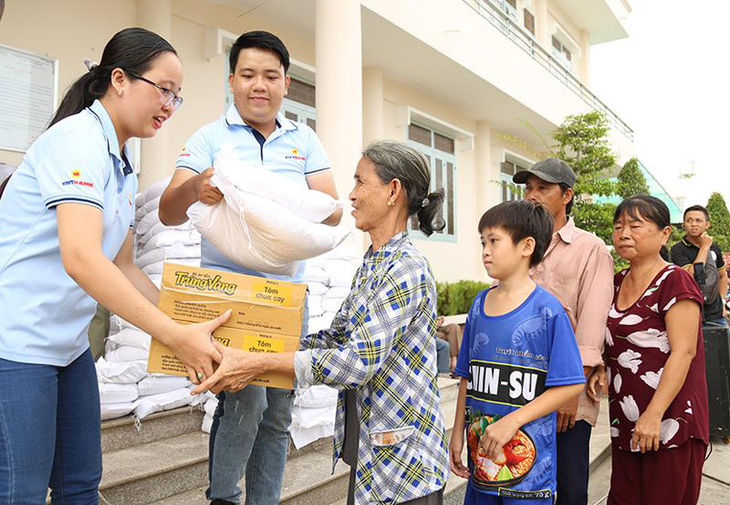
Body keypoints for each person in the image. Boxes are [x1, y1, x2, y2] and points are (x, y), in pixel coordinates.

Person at [0, 28, 228, 504]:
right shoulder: (77, 141)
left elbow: (122, 265)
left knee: (80, 484)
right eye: (163, 89)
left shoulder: (120, 161)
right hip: (16, 346)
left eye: (177, 96)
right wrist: (171, 334)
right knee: (19, 491)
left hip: (67, 348)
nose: (169, 104)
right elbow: (81, 259)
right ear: (119, 79)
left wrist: (190, 324)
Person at [192, 140, 450, 505]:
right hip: (376, 463)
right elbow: (336, 338)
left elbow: (356, 361)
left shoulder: (406, 267)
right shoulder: (374, 263)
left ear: (393, 191)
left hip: (405, 470)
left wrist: (260, 362)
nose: (351, 195)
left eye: (361, 182)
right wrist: (252, 347)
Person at [158, 31, 342, 505]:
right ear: (231, 81)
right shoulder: (209, 138)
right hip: (229, 297)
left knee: (279, 412)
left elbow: (332, 210)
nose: (258, 85)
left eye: (270, 76)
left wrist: (269, 199)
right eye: (248, 75)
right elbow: (168, 211)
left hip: (287, 298)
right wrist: (198, 187)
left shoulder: (304, 141)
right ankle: (222, 497)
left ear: (285, 84)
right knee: (244, 400)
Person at [449, 200, 585, 505]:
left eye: (494, 241)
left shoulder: (547, 311)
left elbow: (572, 383)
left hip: (529, 477)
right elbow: (466, 378)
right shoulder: (478, 306)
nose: (485, 250)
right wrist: (457, 433)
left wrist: (513, 421)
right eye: (482, 241)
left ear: (526, 246)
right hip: (482, 465)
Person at [587, 195, 709, 505]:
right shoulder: (616, 282)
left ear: (665, 233)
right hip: (625, 419)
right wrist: (600, 365)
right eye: (618, 226)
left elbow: (684, 352)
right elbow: (613, 339)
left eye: (635, 226)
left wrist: (653, 415)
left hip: (671, 422)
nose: (624, 234)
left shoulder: (675, 280)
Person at [512, 158, 613, 505]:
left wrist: (571, 391)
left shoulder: (591, 249)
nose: (532, 195)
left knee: (569, 488)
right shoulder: (518, 244)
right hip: (518, 383)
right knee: (520, 482)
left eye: (543, 188)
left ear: (567, 195)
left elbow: (591, 327)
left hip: (566, 387)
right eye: (528, 188)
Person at [671, 205, 728, 327]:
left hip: (715, 313)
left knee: (721, 344)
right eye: (689, 220)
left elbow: (723, 276)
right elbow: (689, 276)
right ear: (683, 225)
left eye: (698, 220)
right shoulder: (678, 250)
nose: (693, 224)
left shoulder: (714, 248)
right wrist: (704, 247)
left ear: (707, 224)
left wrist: (722, 302)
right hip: (689, 313)